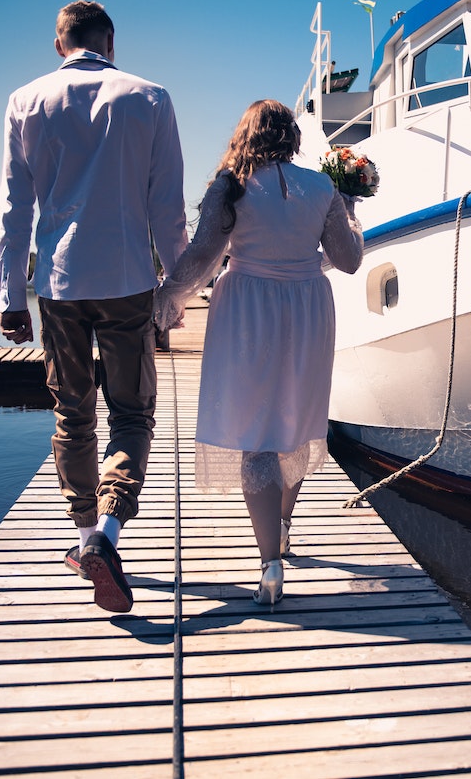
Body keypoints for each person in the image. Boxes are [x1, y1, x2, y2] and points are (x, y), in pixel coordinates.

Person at [0, 0, 187, 614]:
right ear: (110, 40)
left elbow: (12, 209)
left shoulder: (25, 100)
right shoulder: (149, 96)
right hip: (129, 277)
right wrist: (176, 292)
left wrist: (9, 294)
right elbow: (168, 206)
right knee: (132, 414)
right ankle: (108, 532)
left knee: (72, 413)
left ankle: (84, 539)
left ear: (59, 45)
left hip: (57, 284)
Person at [154, 100, 364, 607]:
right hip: (308, 308)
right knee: (294, 421)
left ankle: (270, 560)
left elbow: (203, 256)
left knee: (257, 434)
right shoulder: (323, 188)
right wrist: (350, 213)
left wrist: (167, 299)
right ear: (292, 137)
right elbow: (350, 261)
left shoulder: (231, 183)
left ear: (245, 134)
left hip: (248, 306)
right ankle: (284, 527)